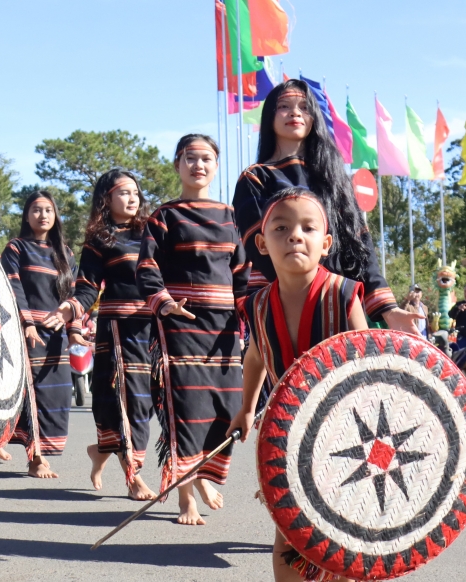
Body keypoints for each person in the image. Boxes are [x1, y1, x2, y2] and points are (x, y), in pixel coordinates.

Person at [227, 188, 367, 582]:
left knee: (349, 532)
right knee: (290, 533)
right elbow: (255, 356)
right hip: (286, 437)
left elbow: (372, 361)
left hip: (348, 437)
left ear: (325, 243)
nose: (295, 236)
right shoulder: (256, 305)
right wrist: (247, 407)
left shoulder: (342, 294)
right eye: (282, 227)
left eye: (308, 228)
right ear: (261, 243)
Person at [232, 80, 420, 333]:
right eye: (284, 106)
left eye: (304, 107)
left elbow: (360, 247)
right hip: (281, 307)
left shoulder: (335, 179)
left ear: (314, 118)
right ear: (269, 118)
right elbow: (261, 249)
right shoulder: (255, 179)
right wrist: (310, 290)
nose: (295, 113)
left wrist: (388, 309)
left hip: (339, 303)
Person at [137, 134, 245, 526]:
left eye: (206, 159)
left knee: (226, 410)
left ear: (216, 166)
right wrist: (165, 303)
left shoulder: (232, 217)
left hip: (224, 331)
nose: (199, 165)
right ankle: (187, 496)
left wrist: (248, 311)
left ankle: (202, 473)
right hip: (179, 326)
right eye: (190, 158)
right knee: (186, 410)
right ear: (177, 165)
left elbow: (243, 274)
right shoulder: (163, 217)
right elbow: (146, 269)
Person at [48, 168, 158, 501]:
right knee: (125, 402)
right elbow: (86, 288)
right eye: (124, 192)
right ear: (106, 199)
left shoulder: (152, 234)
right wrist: (70, 309)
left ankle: (101, 451)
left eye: (135, 192)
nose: (132, 198)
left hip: (151, 330)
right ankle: (134, 476)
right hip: (117, 332)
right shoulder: (100, 239)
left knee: (147, 403)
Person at [0, 190, 83, 479]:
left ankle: (45, 452)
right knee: (31, 395)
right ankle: (34, 457)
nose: (43, 215)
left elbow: (72, 295)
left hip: (57, 335)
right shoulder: (16, 248)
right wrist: (27, 324)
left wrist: (74, 331)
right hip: (27, 333)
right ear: (26, 215)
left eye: (48, 210)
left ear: (55, 215)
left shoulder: (66, 254)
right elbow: (13, 287)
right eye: (36, 210)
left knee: (57, 396)